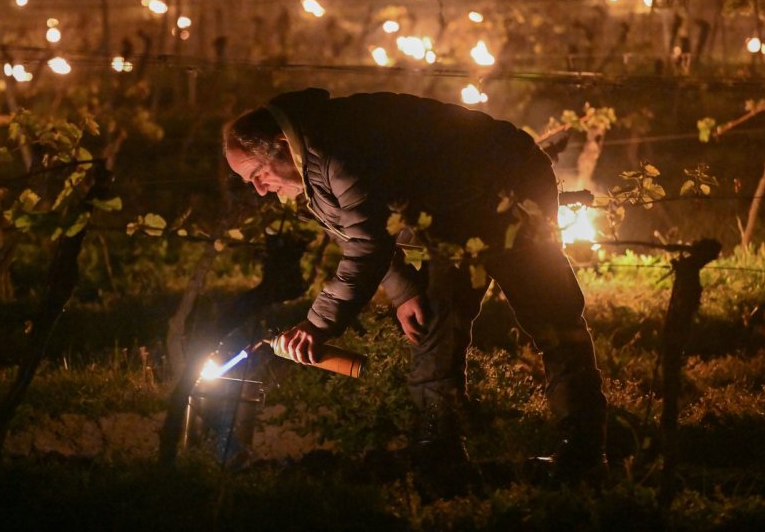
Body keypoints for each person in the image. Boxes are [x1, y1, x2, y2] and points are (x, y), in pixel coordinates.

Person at [222, 88, 607, 485]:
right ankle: (438, 448)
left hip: (510, 181)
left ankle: (583, 448)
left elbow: (368, 243)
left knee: (549, 312)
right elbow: (358, 227)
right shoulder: (310, 166)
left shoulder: (335, 149)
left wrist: (317, 325)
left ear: (281, 145)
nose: (260, 189)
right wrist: (404, 291)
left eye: (258, 174)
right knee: (434, 317)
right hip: (454, 212)